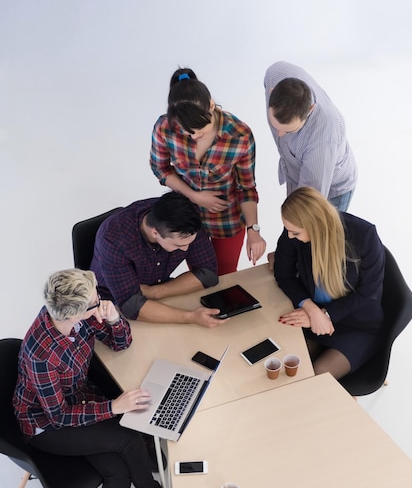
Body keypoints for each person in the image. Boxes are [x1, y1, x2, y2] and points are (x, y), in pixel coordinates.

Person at [13, 269, 177, 488]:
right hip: (46, 426)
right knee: (127, 438)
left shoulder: (77, 316)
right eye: (94, 300)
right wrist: (113, 407)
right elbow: (58, 416)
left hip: (77, 400)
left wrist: (113, 317)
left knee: (117, 470)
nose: (99, 300)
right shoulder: (42, 356)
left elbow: (120, 343)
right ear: (77, 311)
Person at [150, 67, 266, 275]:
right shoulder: (164, 128)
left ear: (211, 105)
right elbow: (160, 168)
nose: (193, 137)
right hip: (188, 218)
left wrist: (253, 230)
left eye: (199, 130)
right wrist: (195, 196)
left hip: (228, 219)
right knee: (201, 277)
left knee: (226, 275)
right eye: (186, 131)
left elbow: (246, 187)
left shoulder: (239, 135)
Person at [274, 188, 385, 380]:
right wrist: (312, 310)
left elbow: (368, 294)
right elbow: (284, 275)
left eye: (295, 232)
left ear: (314, 225)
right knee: (287, 367)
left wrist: (326, 314)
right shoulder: (293, 230)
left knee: (315, 377)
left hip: (355, 326)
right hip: (313, 318)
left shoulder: (364, 235)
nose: (290, 236)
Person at [90, 191, 224, 328]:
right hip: (110, 307)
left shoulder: (187, 220)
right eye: (179, 245)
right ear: (155, 233)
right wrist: (191, 317)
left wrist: (153, 292)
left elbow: (208, 275)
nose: (186, 249)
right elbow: (131, 306)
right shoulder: (113, 239)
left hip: (156, 293)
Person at [264, 61, 357, 212]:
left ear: (310, 110)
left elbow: (309, 201)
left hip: (331, 190)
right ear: (272, 91)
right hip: (297, 172)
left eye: (288, 131)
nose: (280, 134)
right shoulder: (275, 74)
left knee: (318, 233)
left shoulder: (322, 139)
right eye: (276, 126)